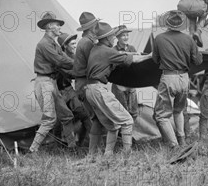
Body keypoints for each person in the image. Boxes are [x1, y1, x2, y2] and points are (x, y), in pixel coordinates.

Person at [85, 22, 152, 157]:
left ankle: (107, 156)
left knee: (112, 125)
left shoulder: (95, 49)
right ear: (107, 38)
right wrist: (150, 56)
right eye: (112, 37)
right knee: (127, 120)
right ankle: (127, 155)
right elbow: (135, 60)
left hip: (89, 89)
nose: (113, 39)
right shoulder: (107, 51)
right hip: (98, 89)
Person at [152, 10, 203, 149]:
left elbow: (155, 59)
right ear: (181, 25)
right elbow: (198, 61)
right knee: (178, 111)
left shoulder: (159, 38)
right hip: (184, 79)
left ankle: (174, 146)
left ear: (167, 24)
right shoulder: (189, 39)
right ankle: (182, 141)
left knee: (161, 116)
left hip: (168, 77)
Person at [29, 12, 76, 153]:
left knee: (67, 115)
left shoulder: (53, 44)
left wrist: (80, 70)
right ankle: (33, 150)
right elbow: (61, 61)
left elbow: (63, 62)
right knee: (49, 119)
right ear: (49, 26)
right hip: (44, 84)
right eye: (57, 25)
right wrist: (79, 64)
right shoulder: (44, 44)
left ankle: (72, 147)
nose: (60, 27)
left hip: (51, 83)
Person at [72, 12, 101, 154]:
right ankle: (93, 150)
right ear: (91, 28)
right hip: (86, 83)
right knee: (95, 117)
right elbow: (95, 64)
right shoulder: (88, 43)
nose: (98, 27)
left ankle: (83, 146)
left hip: (82, 83)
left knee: (90, 116)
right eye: (96, 25)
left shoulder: (84, 41)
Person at [57, 32, 91, 147]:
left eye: (75, 43)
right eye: (72, 44)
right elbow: (71, 74)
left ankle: (87, 143)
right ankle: (70, 146)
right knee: (64, 119)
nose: (75, 46)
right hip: (58, 92)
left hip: (68, 89)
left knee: (84, 115)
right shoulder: (60, 58)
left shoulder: (74, 57)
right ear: (65, 46)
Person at [110, 25, 139, 122]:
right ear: (117, 37)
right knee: (121, 111)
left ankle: (130, 134)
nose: (126, 37)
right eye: (123, 35)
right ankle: (121, 135)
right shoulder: (113, 50)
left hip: (131, 84)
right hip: (119, 85)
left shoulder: (132, 48)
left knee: (134, 112)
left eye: (127, 35)